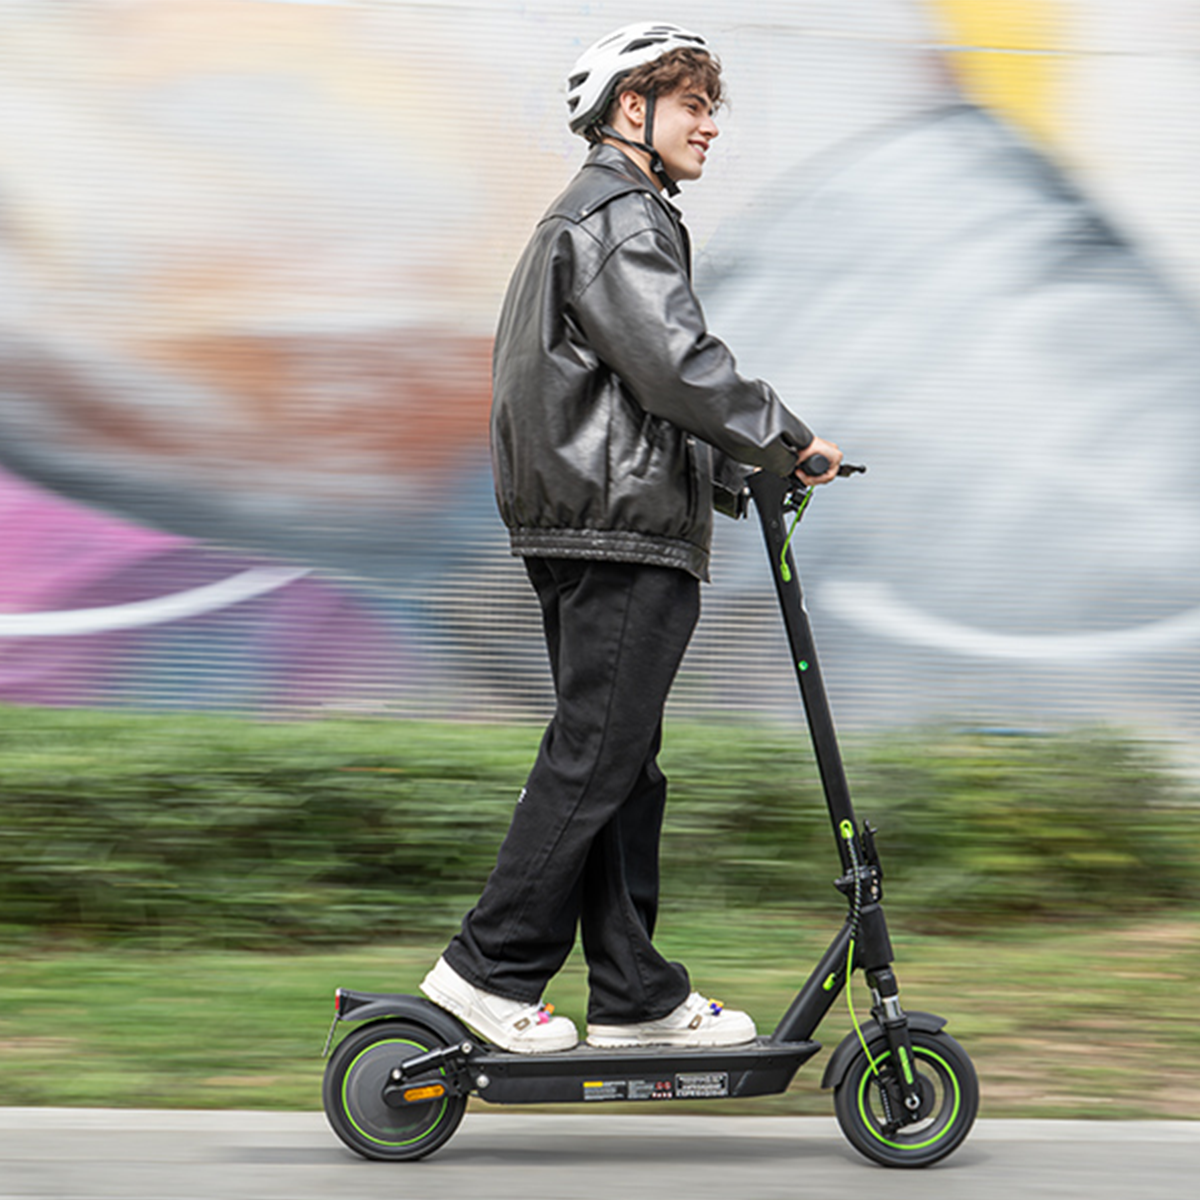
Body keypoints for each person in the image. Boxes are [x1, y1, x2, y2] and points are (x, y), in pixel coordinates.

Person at [420, 21, 842, 1053]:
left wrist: (739, 470)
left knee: (621, 762)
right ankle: (488, 966)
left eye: (711, 106)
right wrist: (785, 438)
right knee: (597, 752)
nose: (709, 125)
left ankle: (635, 991)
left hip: (595, 520)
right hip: (619, 531)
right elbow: (677, 363)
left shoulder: (596, 217)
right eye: (692, 104)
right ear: (629, 111)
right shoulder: (620, 215)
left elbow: (629, 386)